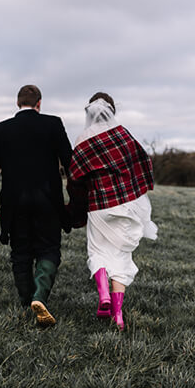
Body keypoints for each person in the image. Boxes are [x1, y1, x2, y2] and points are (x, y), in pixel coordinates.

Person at [0, 85, 73, 326]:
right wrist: (74, 199)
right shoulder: (53, 124)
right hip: (48, 200)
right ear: (39, 103)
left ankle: (26, 303)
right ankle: (39, 296)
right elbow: (70, 163)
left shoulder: (0, 130)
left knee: (20, 251)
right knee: (49, 248)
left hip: (14, 201)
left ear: (17, 103)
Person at [68, 92, 158, 331]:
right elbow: (143, 161)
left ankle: (104, 295)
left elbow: (75, 174)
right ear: (112, 110)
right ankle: (118, 316)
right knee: (121, 258)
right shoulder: (123, 134)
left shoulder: (82, 139)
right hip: (125, 205)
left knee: (97, 250)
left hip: (99, 206)